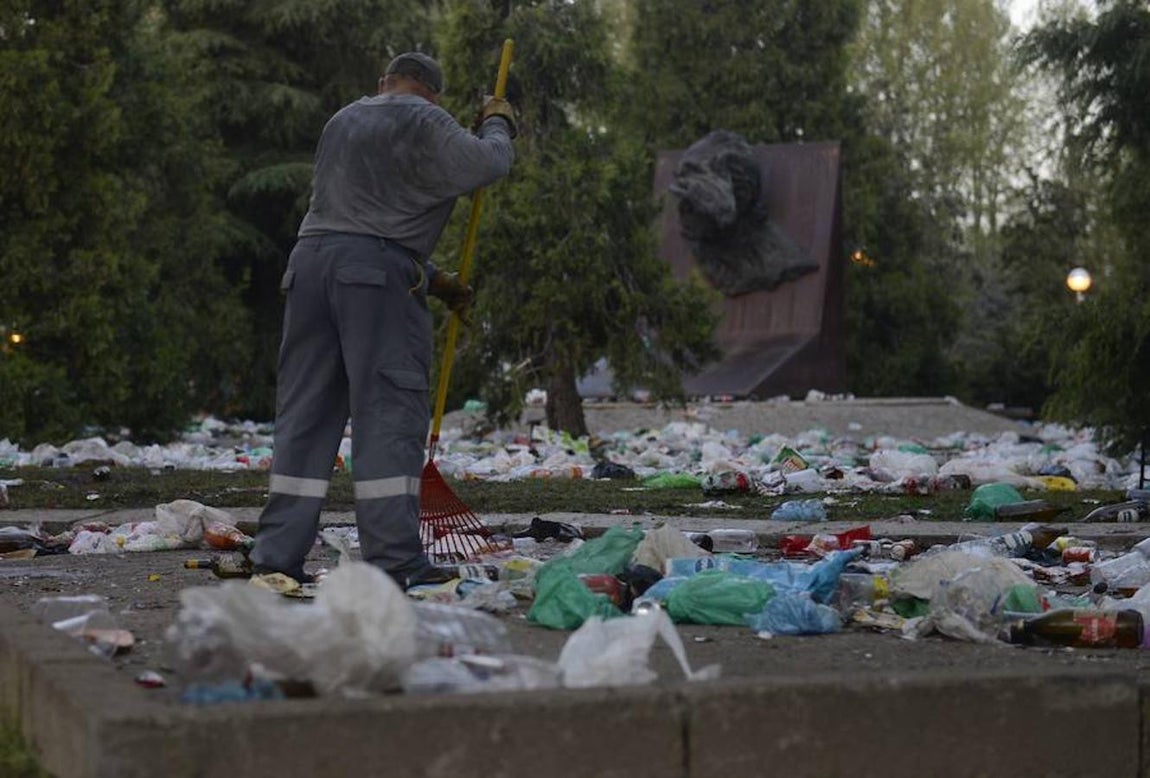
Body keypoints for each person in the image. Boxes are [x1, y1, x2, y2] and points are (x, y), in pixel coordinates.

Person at [249, 52, 516, 589]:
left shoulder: (343, 120)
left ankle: (276, 557)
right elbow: (489, 163)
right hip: (374, 280)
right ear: (431, 94)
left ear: (384, 83)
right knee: (389, 411)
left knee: (306, 414)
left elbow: (359, 217)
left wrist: (434, 279)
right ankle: (394, 561)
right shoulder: (423, 118)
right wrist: (497, 121)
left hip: (309, 268)